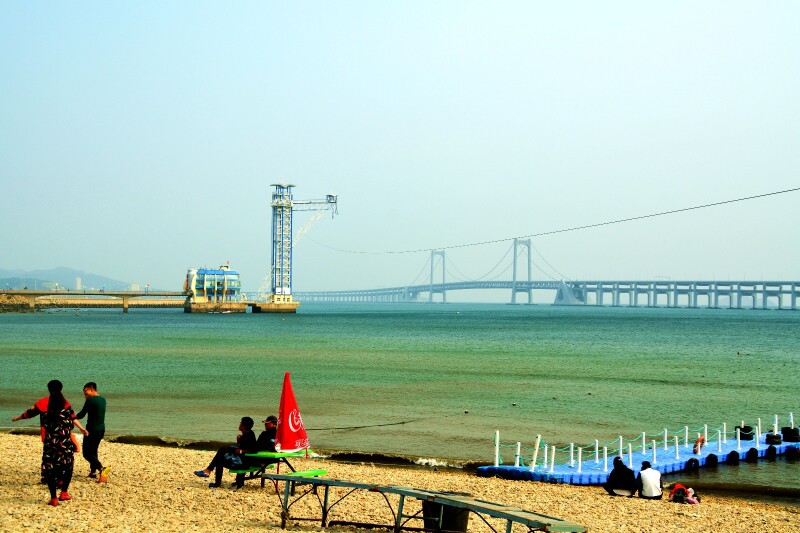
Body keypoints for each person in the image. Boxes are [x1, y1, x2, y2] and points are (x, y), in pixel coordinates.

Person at [11, 380, 84, 506]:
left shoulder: (43, 403)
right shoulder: (65, 403)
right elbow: (72, 417)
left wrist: (17, 418)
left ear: (49, 389)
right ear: (61, 388)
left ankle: (53, 498)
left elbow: (29, 413)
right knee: (68, 465)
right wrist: (82, 429)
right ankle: (64, 492)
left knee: (50, 467)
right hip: (65, 440)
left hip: (50, 441)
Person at [194, 417, 257, 488]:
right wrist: (239, 441)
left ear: (243, 425)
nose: (239, 424)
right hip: (240, 460)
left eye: (241, 423)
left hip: (242, 463)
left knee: (221, 452)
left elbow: (254, 450)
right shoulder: (246, 434)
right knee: (220, 458)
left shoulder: (250, 435)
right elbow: (243, 446)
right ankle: (214, 480)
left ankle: (209, 472)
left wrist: (241, 451)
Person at [75, 382, 110, 482]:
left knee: (86, 454)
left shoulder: (90, 400)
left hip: (92, 430)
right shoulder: (103, 399)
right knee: (93, 451)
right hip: (101, 429)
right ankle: (93, 472)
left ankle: (101, 469)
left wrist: (72, 417)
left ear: (91, 389)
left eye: (86, 392)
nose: (85, 395)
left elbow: (82, 414)